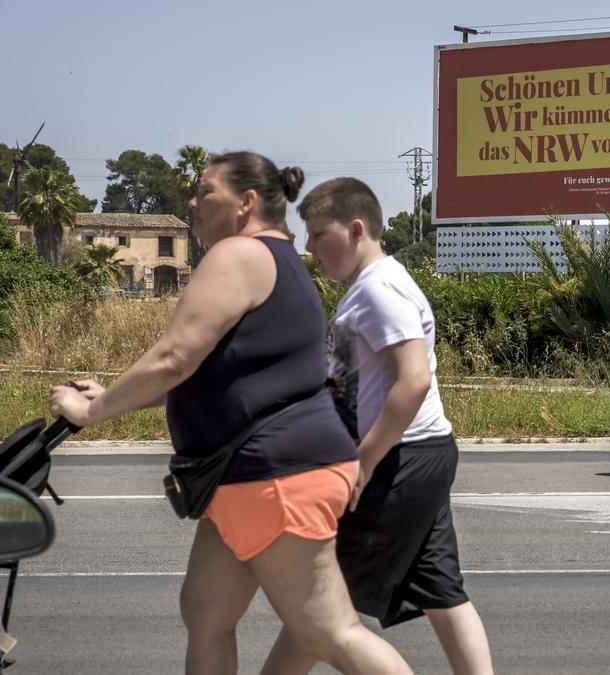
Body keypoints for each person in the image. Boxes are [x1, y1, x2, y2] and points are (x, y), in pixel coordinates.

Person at [49, 152, 410, 675]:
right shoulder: (282, 261)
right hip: (247, 476)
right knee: (205, 609)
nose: (193, 202)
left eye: (206, 191)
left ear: (246, 203)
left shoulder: (237, 255)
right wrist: (112, 394)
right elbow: (206, 370)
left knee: (330, 632)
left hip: (276, 476)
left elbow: (174, 358)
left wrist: (90, 411)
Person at [263, 177, 494, 675]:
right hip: (420, 452)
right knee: (440, 587)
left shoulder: (380, 290)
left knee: (321, 602)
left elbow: (413, 381)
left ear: (356, 229)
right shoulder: (375, 285)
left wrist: (362, 463)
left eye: (318, 235)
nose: (310, 249)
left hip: (398, 460)